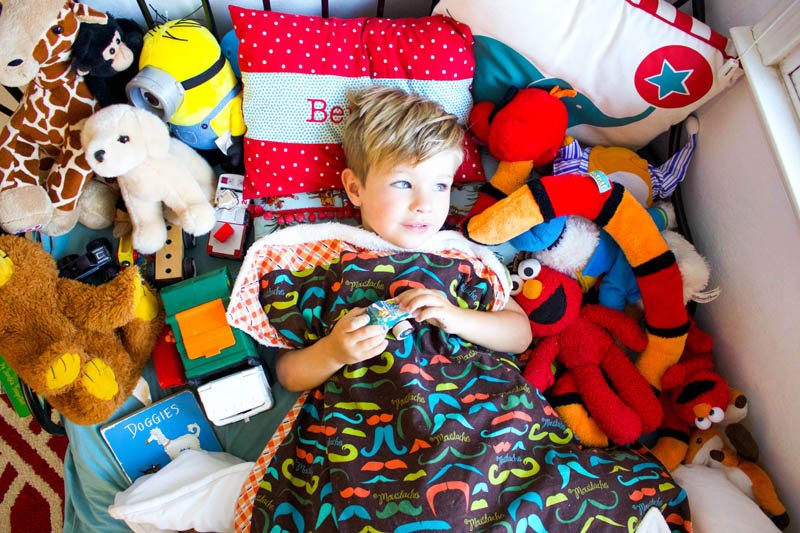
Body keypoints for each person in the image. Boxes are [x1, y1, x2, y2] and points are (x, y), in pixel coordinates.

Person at [275, 86, 532, 392]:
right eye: (403, 183)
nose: (424, 204)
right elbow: (288, 375)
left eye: (440, 186)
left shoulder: (461, 258)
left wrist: (456, 317)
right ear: (355, 189)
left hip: (487, 422)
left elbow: (521, 336)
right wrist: (333, 352)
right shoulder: (322, 262)